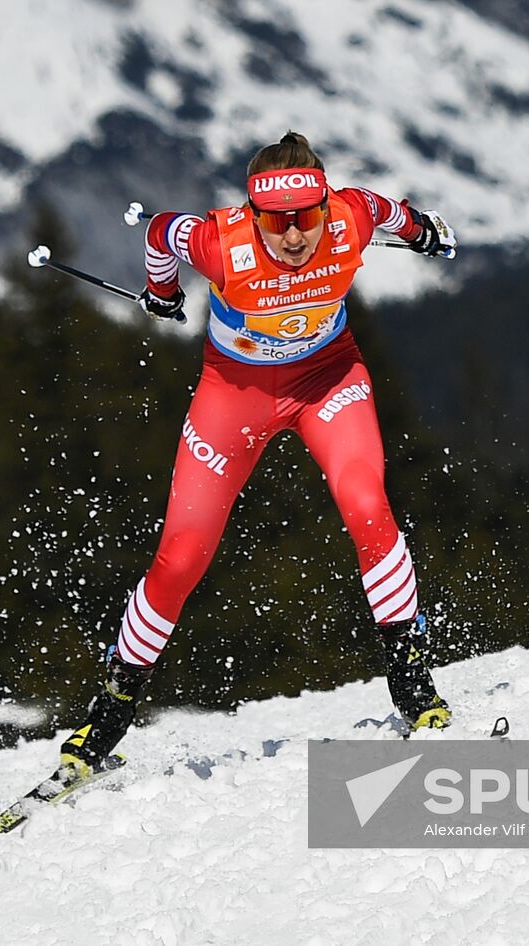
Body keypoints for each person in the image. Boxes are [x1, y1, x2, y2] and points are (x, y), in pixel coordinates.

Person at [59, 131, 458, 775]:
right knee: (181, 557)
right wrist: (162, 294)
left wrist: (424, 233)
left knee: (366, 503)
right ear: (254, 213)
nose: (295, 238)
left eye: (307, 219)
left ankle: (415, 690)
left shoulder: (352, 214)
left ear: (326, 206)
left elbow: (396, 216)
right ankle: (109, 713)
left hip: (326, 379)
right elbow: (161, 232)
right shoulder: (220, 240)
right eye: (278, 223)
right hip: (234, 395)